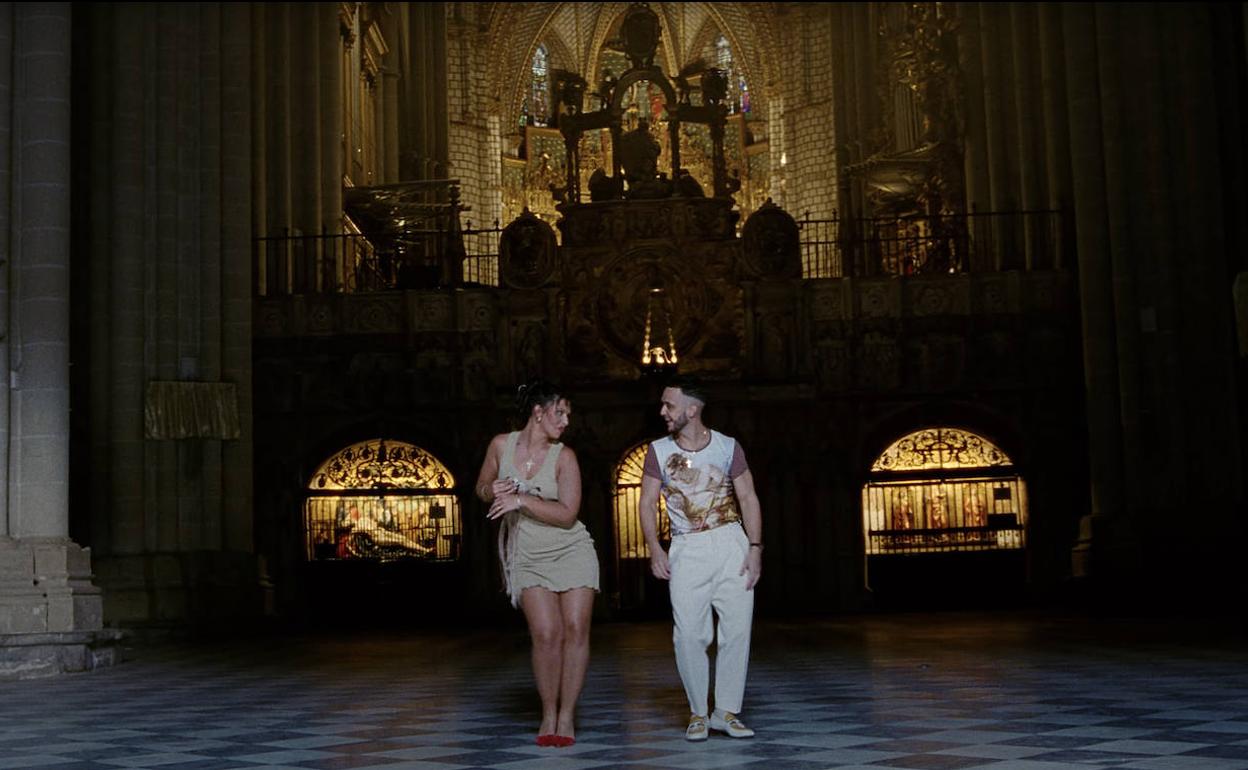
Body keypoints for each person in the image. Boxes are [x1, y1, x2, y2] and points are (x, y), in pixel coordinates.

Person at [475, 380, 599, 748]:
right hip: (527, 553)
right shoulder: (501, 445)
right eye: (560, 413)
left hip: (572, 549)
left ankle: (566, 715)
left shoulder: (566, 457)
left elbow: (567, 513)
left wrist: (521, 501)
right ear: (538, 412)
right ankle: (548, 712)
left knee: (575, 629)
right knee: (546, 633)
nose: (565, 422)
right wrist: (492, 490)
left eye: (568, 415)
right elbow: (481, 486)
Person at [638, 376, 763, 741]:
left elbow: (749, 498)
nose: (663, 411)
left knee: (737, 629)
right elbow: (646, 503)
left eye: (669, 405)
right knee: (689, 634)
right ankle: (698, 712)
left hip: (730, 542)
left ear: (692, 410)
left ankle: (725, 712)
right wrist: (655, 548)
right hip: (687, 546)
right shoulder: (658, 451)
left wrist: (755, 548)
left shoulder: (727, 446)